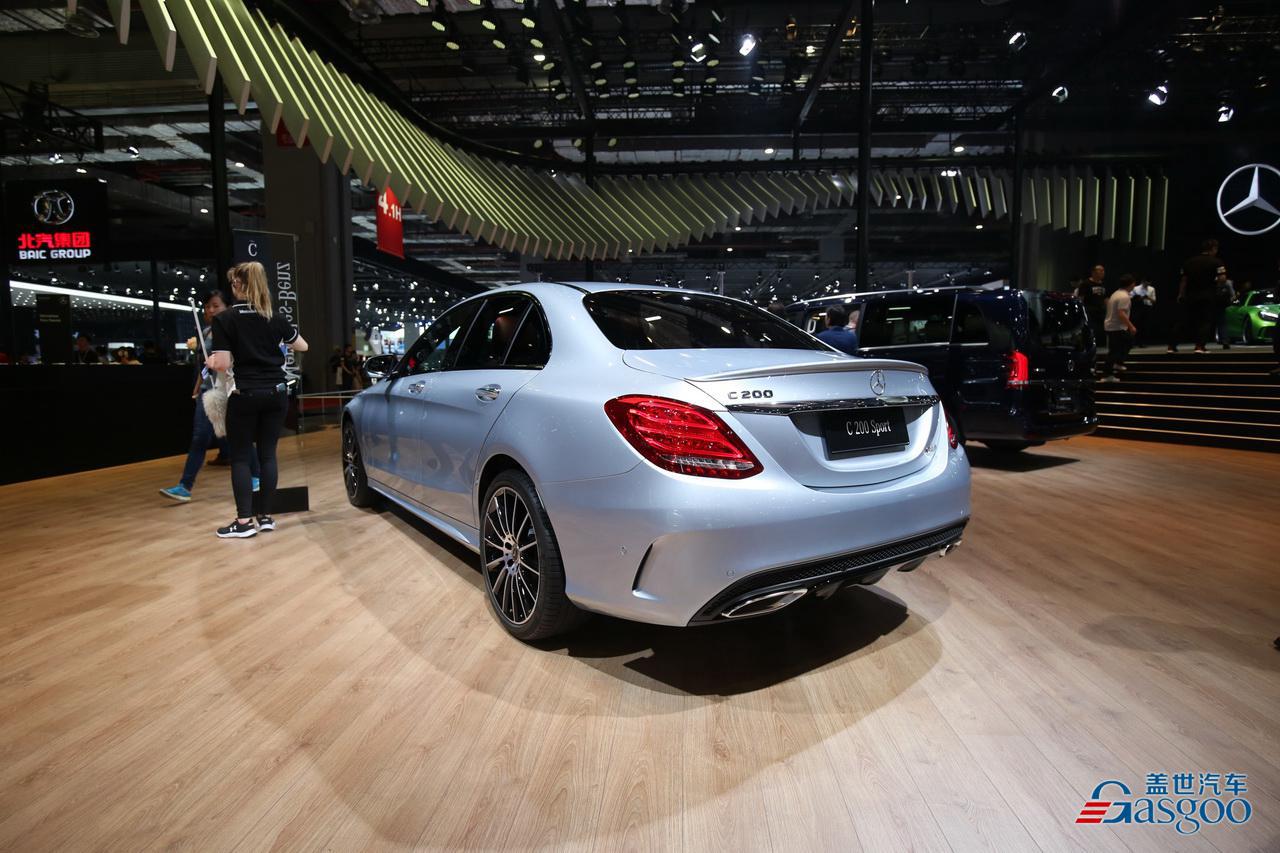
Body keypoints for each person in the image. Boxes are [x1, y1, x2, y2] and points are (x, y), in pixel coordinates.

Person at [207, 261, 309, 539]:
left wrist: (212, 361)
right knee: (268, 455)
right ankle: (265, 517)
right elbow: (303, 345)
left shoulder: (225, 319)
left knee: (241, 458)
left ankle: (243, 522)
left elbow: (222, 363)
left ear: (239, 285)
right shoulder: (274, 317)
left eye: (233, 283)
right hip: (276, 394)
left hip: (245, 394)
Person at [160, 290, 258, 503]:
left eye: (216, 305)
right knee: (200, 437)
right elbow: (203, 365)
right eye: (207, 306)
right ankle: (185, 486)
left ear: (227, 308)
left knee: (238, 435)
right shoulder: (206, 333)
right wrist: (198, 386)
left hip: (229, 390)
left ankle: (256, 477)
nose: (211, 310)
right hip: (208, 392)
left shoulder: (234, 330)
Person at [1173, 238, 1220, 354]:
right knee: (1205, 321)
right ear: (1213, 249)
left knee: (1183, 320)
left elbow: (1183, 280)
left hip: (1190, 296)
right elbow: (1222, 279)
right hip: (1207, 296)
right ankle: (1199, 346)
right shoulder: (1216, 262)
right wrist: (1216, 285)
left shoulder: (1189, 262)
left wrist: (1180, 294)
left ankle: (1171, 346)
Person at [1100, 275, 1138, 382]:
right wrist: (1131, 326)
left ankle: (1117, 363)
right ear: (1131, 284)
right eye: (1134, 283)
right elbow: (1121, 314)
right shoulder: (1124, 297)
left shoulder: (1116, 293)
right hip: (1117, 327)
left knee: (1125, 343)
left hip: (1111, 326)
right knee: (1116, 350)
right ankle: (1107, 374)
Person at [1075, 265, 1108, 348]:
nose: (1102, 273)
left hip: (1101, 311)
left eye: (1103, 271)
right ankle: (1089, 345)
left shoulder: (1103, 284)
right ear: (1093, 272)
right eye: (1100, 271)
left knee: (1101, 329)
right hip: (1089, 310)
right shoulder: (1086, 283)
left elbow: (1105, 298)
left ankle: (1099, 344)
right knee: (1091, 329)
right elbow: (1081, 298)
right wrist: (1081, 310)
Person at [1214, 266, 1236, 350]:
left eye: (1224, 275)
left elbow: (1233, 295)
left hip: (1223, 306)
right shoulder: (1213, 283)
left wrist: (1231, 300)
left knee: (1222, 323)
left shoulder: (1228, 283)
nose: (1223, 276)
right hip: (1212, 304)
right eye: (1220, 275)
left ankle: (1225, 341)